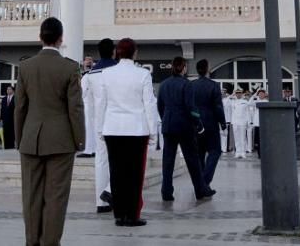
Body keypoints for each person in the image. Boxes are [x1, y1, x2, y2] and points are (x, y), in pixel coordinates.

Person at [15, 17, 85, 246]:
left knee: (31, 197)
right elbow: (75, 109)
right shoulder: (70, 67)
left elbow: (20, 107)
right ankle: (50, 242)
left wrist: (19, 139)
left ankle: (31, 241)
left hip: (31, 139)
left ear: (40, 37)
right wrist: (80, 141)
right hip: (61, 141)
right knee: (56, 197)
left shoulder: (26, 67)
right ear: (61, 38)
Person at [96, 37, 157, 227]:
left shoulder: (106, 74)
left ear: (117, 53)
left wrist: (100, 129)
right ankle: (131, 215)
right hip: (136, 129)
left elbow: (101, 104)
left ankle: (119, 215)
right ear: (135, 53)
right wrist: (153, 131)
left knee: (116, 173)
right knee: (134, 174)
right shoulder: (143, 75)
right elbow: (149, 103)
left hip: (113, 128)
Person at [158, 56, 210, 203]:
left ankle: (166, 192)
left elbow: (160, 107)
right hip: (185, 127)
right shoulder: (186, 84)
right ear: (184, 68)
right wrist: (198, 123)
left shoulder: (164, 84)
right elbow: (191, 107)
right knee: (193, 161)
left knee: (168, 162)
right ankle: (200, 190)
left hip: (168, 126)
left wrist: (166, 119)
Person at [84, 38, 117, 213]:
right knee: (121, 160)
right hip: (117, 121)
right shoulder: (118, 70)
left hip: (99, 122)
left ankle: (101, 202)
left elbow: (88, 102)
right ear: (113, 51)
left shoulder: (90, 75)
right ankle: (110, 191)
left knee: (101, 161)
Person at [192, 58, 227, 189]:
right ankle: (205, 180)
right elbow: (218, 106)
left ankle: (201, 181)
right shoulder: (214, 85)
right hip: (211, 123)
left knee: (200, 153)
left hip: (196, 124)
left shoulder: (191, 85)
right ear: (207, 69)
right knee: (215, 151)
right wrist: (222, 122)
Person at [78, 56, 96, 157]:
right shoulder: (84, 75)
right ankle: (92, 149)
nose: (89, 62)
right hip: (89, 104)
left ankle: (88, 150)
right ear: (83, 62)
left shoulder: (87, 76)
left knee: (89, 126)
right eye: (87, 60)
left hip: (88, 104)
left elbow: (82, 92)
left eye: (91, 60)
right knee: (90, 126)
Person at [248, 88, 268, 158]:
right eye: (259, 94)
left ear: (264, 95)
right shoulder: (256, 101)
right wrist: (254, 95)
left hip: (264, 124)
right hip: (257, 124)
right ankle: (259, 154)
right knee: (258, 140)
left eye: (262, 94)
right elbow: (249, 103)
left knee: (264, 140)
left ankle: (265, 154)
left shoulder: (266, 101)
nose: (261, 95)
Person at [231, 88, 249, 158]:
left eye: (239, 93)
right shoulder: (233, 102)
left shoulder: (245, 101)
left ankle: (243, 152)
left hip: (243, 122)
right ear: (235, 94)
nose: (238, 94)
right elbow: (232, 113)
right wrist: (232, 121)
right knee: (236, 138)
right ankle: (238, 152)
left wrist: (247, 121)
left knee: (243, 138)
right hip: (235, 122)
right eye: (237, 93)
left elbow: (247, 112)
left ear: (242, 94)